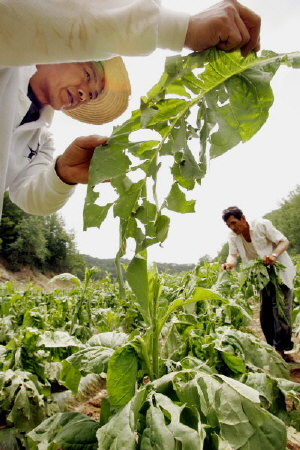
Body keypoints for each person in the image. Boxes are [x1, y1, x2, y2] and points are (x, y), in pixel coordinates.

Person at [0, 0, 261, 217]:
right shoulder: (8, 62)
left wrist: (62, 174)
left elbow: (26, 195)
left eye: (90, 96)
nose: (83, 94)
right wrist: (179, 28)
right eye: (88, 76)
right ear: (65, 50)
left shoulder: (41, 140)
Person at [221, 206, 296, 362]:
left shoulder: (261, 225)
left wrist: (274, 255)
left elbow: (283, 241)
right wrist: (229, 264)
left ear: (243, 218)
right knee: (266, 313)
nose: (233, 228)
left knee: (281, 311)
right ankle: (272, 348)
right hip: (261, 276)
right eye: (229, 225)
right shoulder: (233, 236)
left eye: (234, 223)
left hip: (280, 272)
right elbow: (232, 255)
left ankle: (281, 350)